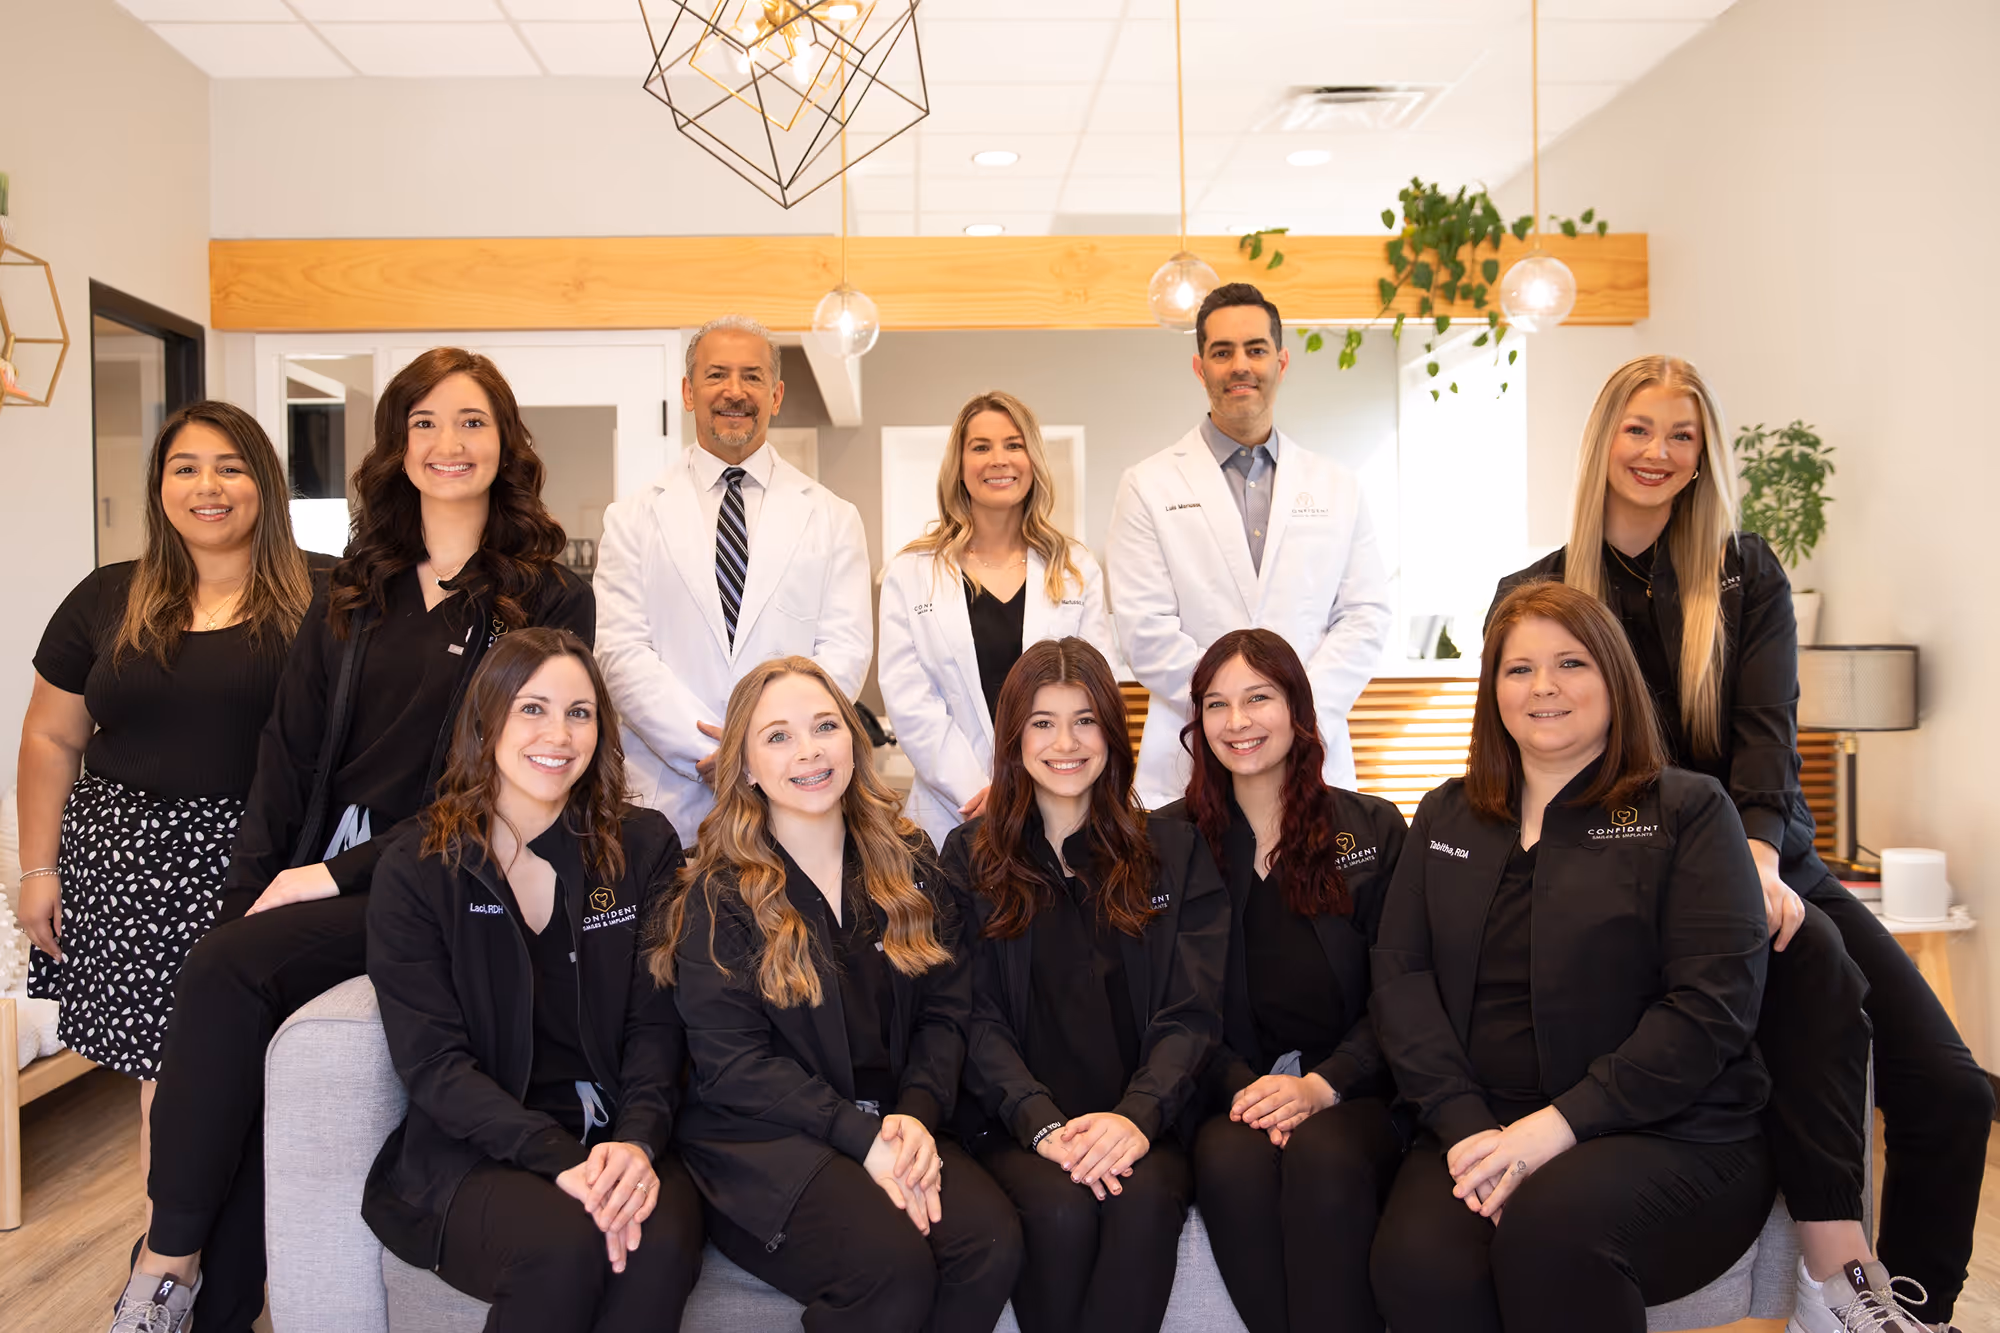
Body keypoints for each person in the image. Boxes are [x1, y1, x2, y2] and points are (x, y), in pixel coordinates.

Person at [1493, 355, 1992, 1332]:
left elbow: (1767, 735)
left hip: (1767, 858)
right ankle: (1830, 1274)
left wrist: (1756, 860)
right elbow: (1535, 763)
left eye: (1681, 435)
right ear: (1603, 440)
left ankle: (1910, 1315)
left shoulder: (1743, 572)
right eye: (1638, 429)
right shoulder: (1539, 590)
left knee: (1948, 1090)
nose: (1657, 452)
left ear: (1702, 454)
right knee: (1813, 988)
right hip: (1635, 879)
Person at [114, 348, 595, 1333]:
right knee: (239, 1016)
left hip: (445, 876)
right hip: (320, 868)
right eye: (423, 422)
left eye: (470, 422)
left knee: (228, 975)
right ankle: (203, 1305)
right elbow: (285, 758)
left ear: (503, 443)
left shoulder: (545, 597)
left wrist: (328, 875)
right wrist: (255, 889)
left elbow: (502, 780)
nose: (447, 444)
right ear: (395, 445)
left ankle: (162, 1265)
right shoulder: (352, 589)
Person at [1370, 580, 1776, 1333]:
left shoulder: (1688, 810)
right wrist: (1464, 1125)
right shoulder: (1447, 811)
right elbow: (1401, 977)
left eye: (1571, 663)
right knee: (1418, 1263)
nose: (1543, 686)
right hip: (1479, 1122)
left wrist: (1553, 1128)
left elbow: (1710, 1006)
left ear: (1614, 677)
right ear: (1493, 688)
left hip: (1666, 1132)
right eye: (1518, 668)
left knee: (1549, 1235)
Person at [17, 402, 324, 1230]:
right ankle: (176, 1267)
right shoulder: (107, 597)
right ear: (160, 488)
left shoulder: (328, 593)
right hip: (124, 868)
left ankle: (260, 1269)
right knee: (169, 1080)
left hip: (265, 866)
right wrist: (36, 869)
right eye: (184, 467)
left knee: (273, 1071)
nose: (207, 486)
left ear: (264, 481)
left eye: (229, 465)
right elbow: (50, 736)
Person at [657, 655, 1022, 1333]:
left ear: (854, 739)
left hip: (893, 1120)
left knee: (988, 1242)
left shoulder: (909, 861)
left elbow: (946, 1010)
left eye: (826, 725)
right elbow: (736, 1067)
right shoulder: (720, 895)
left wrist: (914, 1114)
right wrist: (864, 1139)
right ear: (744, 766)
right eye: (778, 736)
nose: (809, 750)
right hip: (767, 1143)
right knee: (888, 1268)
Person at [365, 627, 703, 1333]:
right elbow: (433, 1065)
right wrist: (558, 1158)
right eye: (533, 708)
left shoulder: (642, 845)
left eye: (580, 712)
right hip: (478, 1148)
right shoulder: (420, 866)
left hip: (623, 1135)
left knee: (660, 1244)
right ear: (487, 718)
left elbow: (656, 1024)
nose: (559, 733)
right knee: (563, 1245)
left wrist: (637, 1140)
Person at [945, 637, 1227, 1333]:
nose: (1065, 742)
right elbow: (969, 1015)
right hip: (1019, 1126)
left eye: (1085, 719)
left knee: (1142, 1201)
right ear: (1014, 737)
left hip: (1145, 1123)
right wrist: (1040, 1121)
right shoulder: (969, 858)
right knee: (1062, 1209)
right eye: (1043, 721)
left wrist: (1137, 1116)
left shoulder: (1172, 848)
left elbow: (1192, 1010)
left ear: (1111, 730)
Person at [1154, 629, 1407, 1333]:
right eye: (1216, 703)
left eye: (1258, 698)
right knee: (1232, 1165)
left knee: (1326, 1157)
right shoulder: (1168, 843)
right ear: (1197, 722)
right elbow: (1168, 1000)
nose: (1237, 722)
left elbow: (1404, 986)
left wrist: (1320, 1086)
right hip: (1227, 1091)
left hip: (1352, 1087)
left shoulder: (1373, 828)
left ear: (1296, 707)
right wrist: (1247, 1088)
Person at [1106, 282, 1391, 808]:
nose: (1241, 365)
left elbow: (1365, 615)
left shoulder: (1337, 485)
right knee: (1197, 887)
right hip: (1191, 758)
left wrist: (1294, 710)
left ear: (1281, 361)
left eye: (1255, 349)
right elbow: (1145, 631)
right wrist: (1233, 710)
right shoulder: (1147, 485)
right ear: (1200, 368)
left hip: (1312, 745)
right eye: (1222, 352)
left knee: (1314, 887)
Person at [595, 315, 873, 844]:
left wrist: (767, 747)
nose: (734, 391)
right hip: (672, 796)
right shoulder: (630, 517)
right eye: (716, 375)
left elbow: (845, 649)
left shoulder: (834, 517)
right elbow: (620, 651)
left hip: (792, 789)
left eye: (752, 377)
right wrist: (716, 752)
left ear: (776, 394)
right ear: (687, 391)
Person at [879, 389, 1114, 847]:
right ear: (959, 466)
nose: (998, 460)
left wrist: (1023, 789)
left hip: (1056, 797)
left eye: (1013, 444)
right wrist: (977, 790)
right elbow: (910, 701)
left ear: (1033, 460)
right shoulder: (911, 572)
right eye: (980, 447)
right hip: (955, 810)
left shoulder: (1075, 568)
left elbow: (1092, 692)